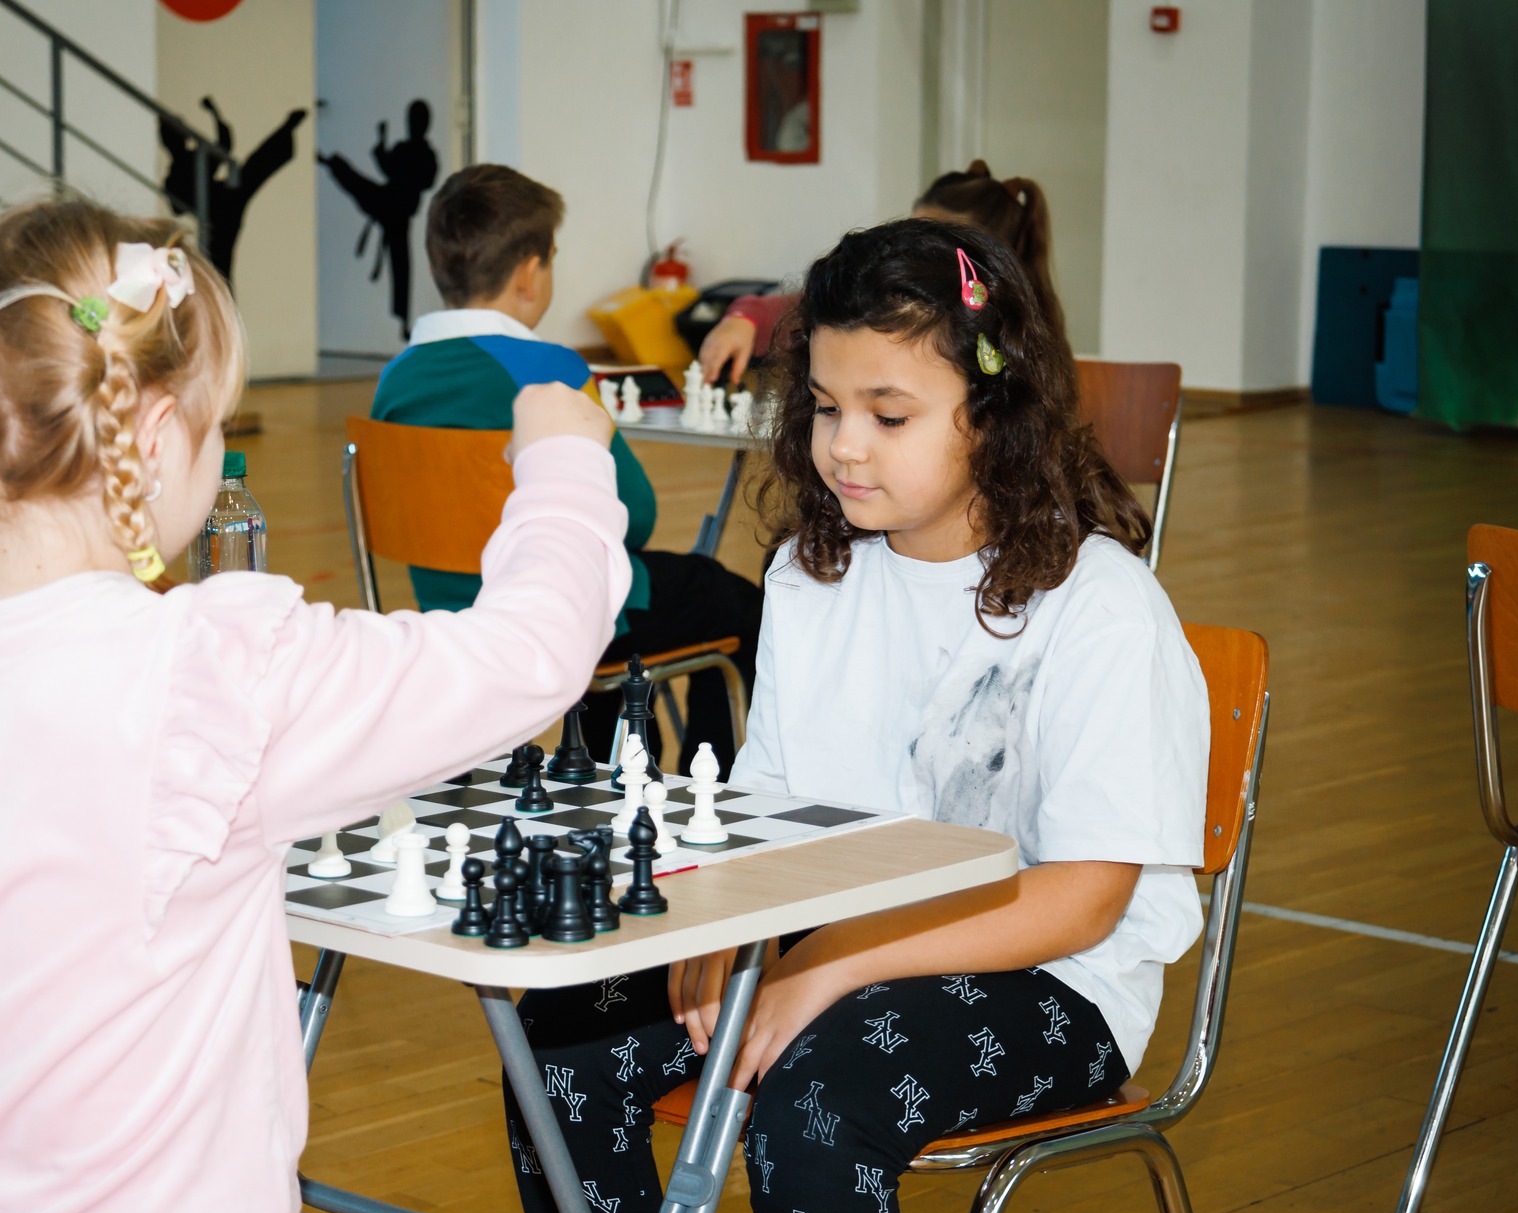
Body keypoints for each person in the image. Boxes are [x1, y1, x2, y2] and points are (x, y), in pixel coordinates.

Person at [0, 196, 632, 1213]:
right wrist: (564, 457)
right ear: (157, 432)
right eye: (216, 425)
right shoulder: (218, 673)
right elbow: (528, 656)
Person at [504, 218, 1208, 1213]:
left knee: (813, 1101)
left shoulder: (1099, 605)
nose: (843, 447)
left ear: (993, 410)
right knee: (558, 1040)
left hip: (1048, 981)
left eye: (888, 415)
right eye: (824, 407)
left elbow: (1081, 899)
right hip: (819, 939)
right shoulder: (808, 571)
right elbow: (764, 807)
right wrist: (717, 927)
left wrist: (826, 963)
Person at [372, 163, 762, 772]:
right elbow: (634, 515)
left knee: (616, 586)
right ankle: (703, 781)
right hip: (565, 617)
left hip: (449, 615)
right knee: (730, 599)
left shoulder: (395, 378)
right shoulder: (549, 369)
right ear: (530, 274)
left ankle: (603, 758)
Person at [700, 159, 1067, 383]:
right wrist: (744, 317)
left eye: (891, 418)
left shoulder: (1015, 346)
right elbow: (812, 308)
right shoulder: (900, 296)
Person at [321, 99, 441, 339]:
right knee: (357, 183)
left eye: (417, 120)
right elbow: (389, 167)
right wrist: (382, 142)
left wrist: (384, 146)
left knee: (401, 267)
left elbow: (417, 177)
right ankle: (329, 161)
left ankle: (403, 322)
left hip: (396, 209)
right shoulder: (411, 151)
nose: (413, 124)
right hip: (388, 202)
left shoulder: (423, 154)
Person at [159, 96, 308, 285]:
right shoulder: (188, 163)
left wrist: (214, 113)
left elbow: (225, 145)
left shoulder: (189, 163)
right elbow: (225, 144)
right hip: (218, 214)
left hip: (224, 204)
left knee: (251, 172)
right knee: (218, 270)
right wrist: (214, 113)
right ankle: (286, 131)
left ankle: (286, 130)